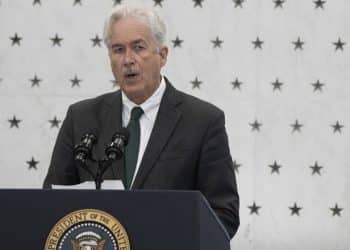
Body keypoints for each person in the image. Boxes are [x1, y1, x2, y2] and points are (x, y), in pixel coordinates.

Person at [43, 4, 239, 238]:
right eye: (118, 49)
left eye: (138, 48)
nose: (128, 60)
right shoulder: (81, 118)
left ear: (162, 55)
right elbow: (49, 206)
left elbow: (223, 214)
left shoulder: (203, 121)